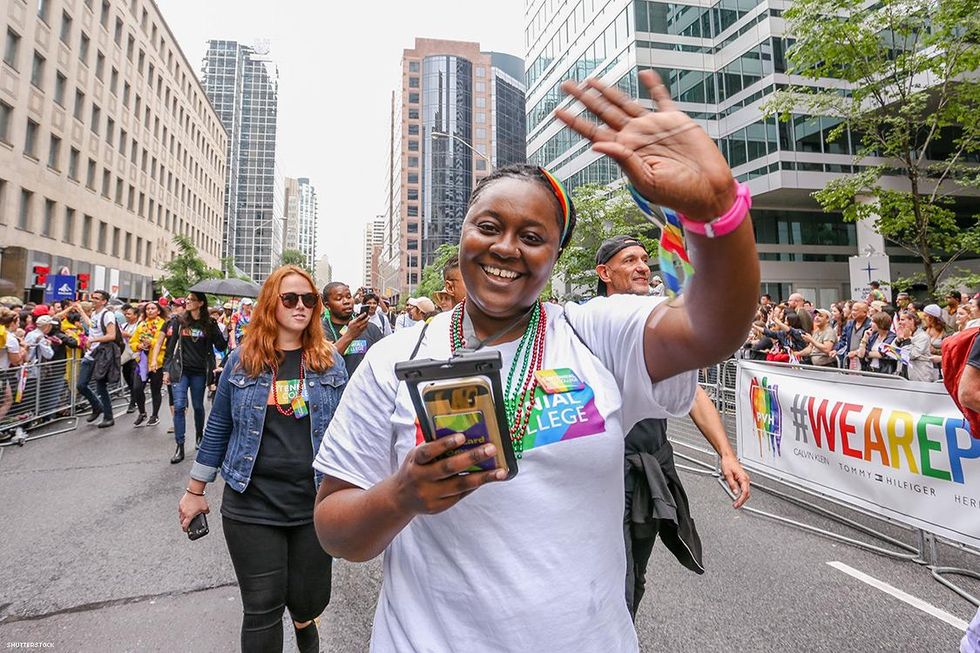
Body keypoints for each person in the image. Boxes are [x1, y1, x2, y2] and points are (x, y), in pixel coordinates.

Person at [311, 69, 759, 651]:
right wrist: (401, 496)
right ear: (465, 233)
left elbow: (710, 329)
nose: (505, 248)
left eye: (532, 236)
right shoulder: (394, 358)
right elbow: (335, 530)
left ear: (555, 255)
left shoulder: (597, 332)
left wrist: (720, 215)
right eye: (489, 227)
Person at [178, 265, 346, 653]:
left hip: (314, 503)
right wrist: (195, 490)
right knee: (261, 607)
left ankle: (304, 621)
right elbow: (218, 428)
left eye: (309, 299)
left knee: (309, 600)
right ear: (272, 304)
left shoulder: (328, 362)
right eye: (290, 298)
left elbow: (349, 431)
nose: (301, 306)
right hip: (251, 503)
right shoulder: (242, 361)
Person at [594, 234, 750, 619]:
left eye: (645, 259)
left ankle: (622, 635)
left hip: (652, 469)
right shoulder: (588, 323)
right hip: (605, 473)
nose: (642, 266)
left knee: (637, 574)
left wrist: (727, 455)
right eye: (629, 260)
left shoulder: (659, 323)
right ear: (605, 273)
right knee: (615, 576)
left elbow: (693, 391)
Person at [160, 291, 227, 463]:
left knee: (198, 406)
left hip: (199, 372)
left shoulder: (209, 323)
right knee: (180, 406)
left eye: (192, 300)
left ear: (201, 303)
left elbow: (221, 345)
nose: (187, 302)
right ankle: (180, 446)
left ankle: (199, 436)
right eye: (187, 299)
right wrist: (166, 370)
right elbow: (170, 347)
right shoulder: (179, 322)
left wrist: (225, 329)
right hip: (181, 371)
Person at [76, 290, 120, 428]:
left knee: (101, 386)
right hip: (91, 354)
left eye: (96, 298)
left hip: (102, 354)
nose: (93, 300)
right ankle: (97, 406)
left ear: (104, 301)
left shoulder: (108, 315)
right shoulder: (95, 314)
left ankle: (108, 417)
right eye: (92, 298)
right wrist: (80, 310)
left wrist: (94, 340)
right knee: (81, 385)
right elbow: (92, 325)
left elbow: (111, 335)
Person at [322, 282, 383, 376]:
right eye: (339, 298)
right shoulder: (319, 331)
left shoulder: (371, 328)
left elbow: (383, 360)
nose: (346, 301)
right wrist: (350, 335)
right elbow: (325, 362)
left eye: (349, 296)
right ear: (327, 305)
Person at [131, 301, 167, 427]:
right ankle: (142, 412)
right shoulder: (141, 325)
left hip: (157, 362)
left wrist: (151, 342)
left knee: (155, 390)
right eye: (147, 309)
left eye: (153, 308)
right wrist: (138, 345)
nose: (150, 311)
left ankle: (155, 415)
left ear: (158, 311)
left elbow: (165, 343)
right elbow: (132, 342)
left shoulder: (164, 324)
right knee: (137, 388)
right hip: (141, 362)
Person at [894, 310, 936, 382]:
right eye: (899, 320)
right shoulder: (902, 333)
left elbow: (911, 354)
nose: (899, 322)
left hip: (919, 377)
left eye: (902, 320)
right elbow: (892, 351)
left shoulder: (923, 336)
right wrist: (898, 340)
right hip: (902, 375)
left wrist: (907, 339)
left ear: (912, 320)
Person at [838, 301, 872, 369]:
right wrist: (835, 350)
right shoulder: (849, 324)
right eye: (852, 310)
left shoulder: (870, 325)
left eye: (856, 310)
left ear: (865, 313)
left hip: (864, 361)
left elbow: (871, 345)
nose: (853, 312)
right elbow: (843, 340)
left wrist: (857, 352)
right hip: (850, 359)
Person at [120, 304, 140, 414]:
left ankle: (133, 402)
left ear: (135, 315)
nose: (126, 316)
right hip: (126, 355)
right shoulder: (123, 325)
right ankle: (135, 396)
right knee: (127, 377)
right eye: (125, 314)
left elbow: (141, 338)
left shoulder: (140, 325)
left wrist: (127, 335)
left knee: (134, 379)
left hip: (136, 356)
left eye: (129, 314)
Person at [923, 303, 948, 375]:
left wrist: (935, 350)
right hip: (925, 367)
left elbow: (949, 351)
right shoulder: (924, 329)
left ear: (932, 317)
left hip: (939, 368)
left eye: (925, 316)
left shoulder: (946, 332)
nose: (923, 318)